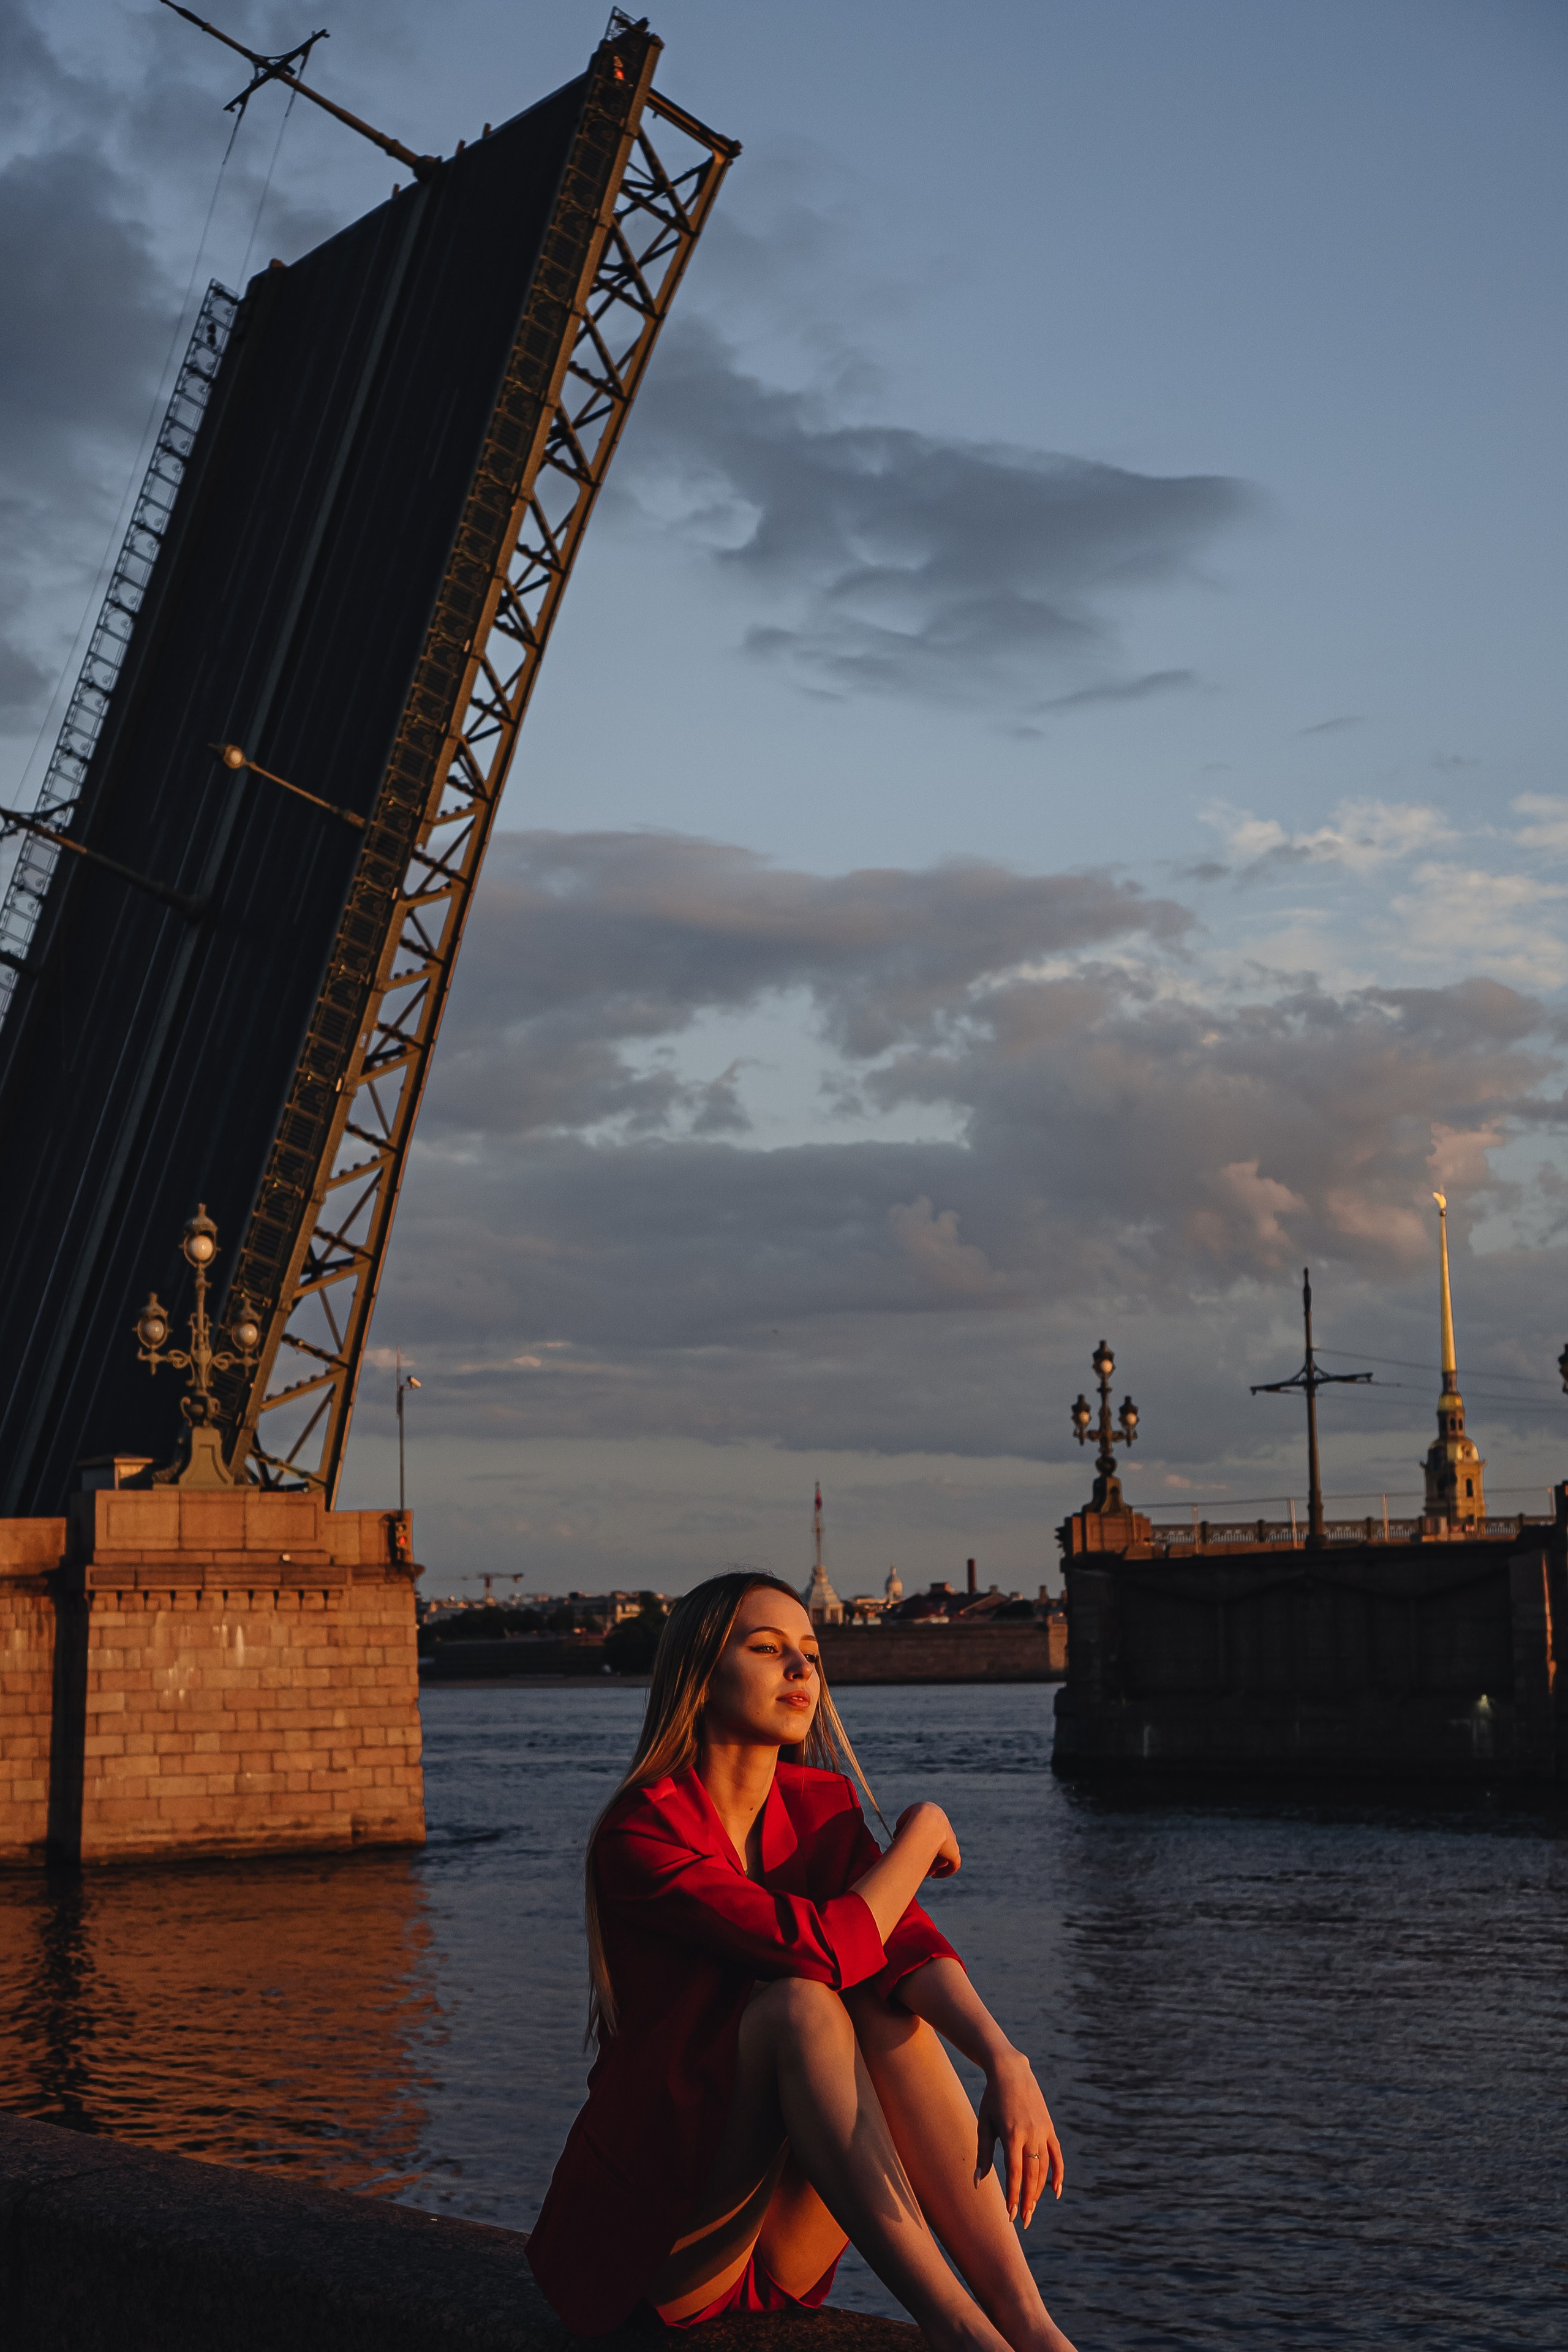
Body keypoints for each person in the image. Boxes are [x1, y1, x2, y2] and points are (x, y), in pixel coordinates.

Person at [527, 1570, 1079, 2352]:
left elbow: (904, 1947)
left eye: (810, 1654)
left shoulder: (817, 1808)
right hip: (662, 2247)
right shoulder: (642, 1835)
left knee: (885, 2000)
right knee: (804, 2002)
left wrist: (1004, 2059)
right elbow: (820, 1949)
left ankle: (1031, 2326)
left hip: (780, 2242)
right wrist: (921, 1832)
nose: (800, 1670)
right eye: (767, 1649)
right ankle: (959, 2331)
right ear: (700, 1675)